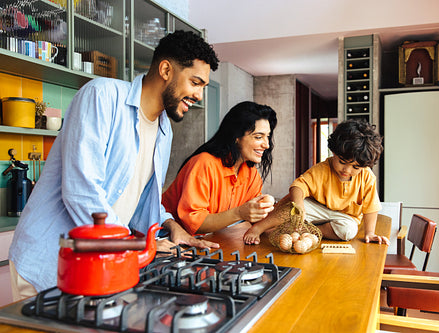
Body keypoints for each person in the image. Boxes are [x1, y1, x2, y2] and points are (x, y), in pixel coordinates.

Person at [8, 30, 220, 299]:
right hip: (50, 260)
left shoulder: (164, 130)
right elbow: (81, 192)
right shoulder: (102, 96)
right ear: (166, 69)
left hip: (99, 265)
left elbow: (141, 201)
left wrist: (170, 227)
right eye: (195, 82)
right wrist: (135, 246)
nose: (199, 95)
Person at [243, 119, 389, 245]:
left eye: (355, 167)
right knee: (294, 206)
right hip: (314, 209)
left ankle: (308, 231)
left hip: (343, 218)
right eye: (342, 162)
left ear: (365, 166)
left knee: (349, 231)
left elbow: (371, 208)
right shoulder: (323, 169)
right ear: (334, 152)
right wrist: (299, 205)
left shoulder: (367, 177)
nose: (347, 170)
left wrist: (370, 233)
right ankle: (259, 228)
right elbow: (298, 186)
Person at [162, 101, 277, 236]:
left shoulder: (251, 174)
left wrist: (264, 210)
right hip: (165, 238)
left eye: (267, 137)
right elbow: (194, 224)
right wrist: (240, 213)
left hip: (208, 240)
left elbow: (255, 219)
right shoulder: (204, 164)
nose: (267, 145)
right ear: (236, 137)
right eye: (258, 137)